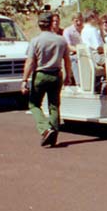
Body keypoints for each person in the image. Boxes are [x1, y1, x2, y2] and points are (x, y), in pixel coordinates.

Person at [21, 12, 75, 147]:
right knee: (54, 106)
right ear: (52, 24)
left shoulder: (35, 41)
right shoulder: (61, 40)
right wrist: (69, 75)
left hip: (40, 74)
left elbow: (30, 62)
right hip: (56, 74)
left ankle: (45, 129)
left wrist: (24, 80)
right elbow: (67, 60)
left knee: (33, 104)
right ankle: (53, 135)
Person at [63, 12, 85, 85]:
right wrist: (79, 50)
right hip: (74, 53)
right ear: (72, 21)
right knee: (74, 59)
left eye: (81, 20)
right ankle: (79, 83)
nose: (79, 23)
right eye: (76, 21)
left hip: (86, 52)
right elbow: (68, 46)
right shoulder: (68, 31)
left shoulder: (85, 30)